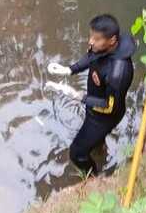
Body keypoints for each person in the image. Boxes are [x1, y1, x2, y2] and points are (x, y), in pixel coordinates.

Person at [46, 14, 136, 174]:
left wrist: (78, 96)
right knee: (94, 143)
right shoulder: (101, 47)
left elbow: (109, 107)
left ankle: (93, 178)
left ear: (112, 40)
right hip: (93, 105)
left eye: (96, 39)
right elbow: (91, 57)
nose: (90, 42)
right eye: (91, 36)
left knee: (77, 153)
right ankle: (100, 149)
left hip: (104, 117)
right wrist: (69, 70)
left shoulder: (118, 74)